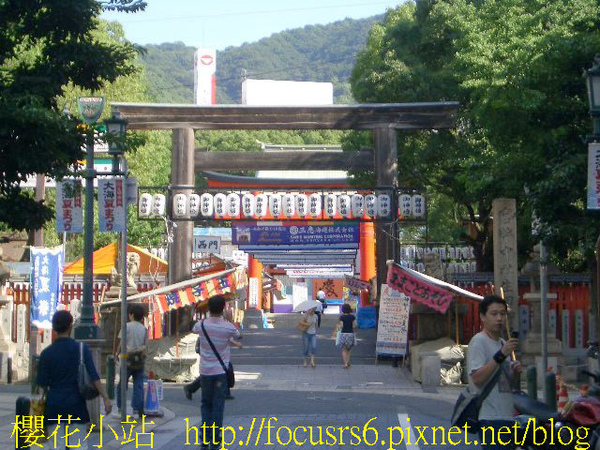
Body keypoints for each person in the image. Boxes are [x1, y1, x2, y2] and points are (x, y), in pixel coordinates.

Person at [37, 311, 111, 448]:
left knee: (56, 446)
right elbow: (94, 377)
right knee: (79, 445)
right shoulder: (81, 349)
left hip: (54, 405)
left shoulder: (46, 354)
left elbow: (41, 385)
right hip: (76, 404)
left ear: (54, 328)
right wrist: (105, 398)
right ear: (71, 326)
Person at [468, 295, 523, 449]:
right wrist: (501, 355)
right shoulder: (479, 341)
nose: (499, 318)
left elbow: (504, 384)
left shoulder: (503, 343)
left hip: (507, 416)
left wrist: (515, 372)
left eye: (503, 314)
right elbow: (477, 378)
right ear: (482, 317)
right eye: (494, 314)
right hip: (490, 417)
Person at [193, 295, 241, 449]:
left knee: (206, 404)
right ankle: (215, 438)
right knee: (218, 405)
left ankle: (205, 437)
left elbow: (192, 328)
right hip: (220, 371)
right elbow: (239, 335)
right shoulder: (228, 327)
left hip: (205, 371)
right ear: (223, 308)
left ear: (208, 308)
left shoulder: (201, 325)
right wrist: (228, 318)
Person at [185, 307, 242, 401]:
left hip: (210, 348)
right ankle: (191, 388)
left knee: (220, 368)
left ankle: (225, 392)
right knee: (221, 368)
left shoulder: (218, 321)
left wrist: (236, 343)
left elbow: (226, 337)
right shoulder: (219, 322)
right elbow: (234, 335)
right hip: (209, 348)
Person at [116, 303, 148, 417]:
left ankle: (120, 408)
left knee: (122, 384)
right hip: (139, 359)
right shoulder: (144, 329)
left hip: (126, 358)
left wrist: (116, 353)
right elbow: (145, 345)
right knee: (138, 384)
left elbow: (121, 342)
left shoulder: (126, 326)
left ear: (132, 314)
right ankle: (136, 409)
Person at [336, 303, 357, 368]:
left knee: (344, 350)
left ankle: (345, 363)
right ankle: (348, 362)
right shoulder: (352, 317)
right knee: (349, 349)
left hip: (344, 334)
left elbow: (341, 326)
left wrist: (338, 327)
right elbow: (355, 325)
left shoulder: (342, 317)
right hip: (351, 334)